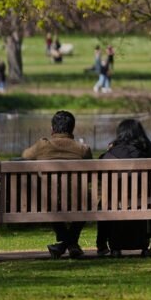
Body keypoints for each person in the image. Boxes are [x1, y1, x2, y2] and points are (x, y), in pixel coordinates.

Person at [22, 110, 93, 258]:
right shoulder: (82, 149)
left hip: (47, 202)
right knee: (86, 200)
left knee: (48, 199)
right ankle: (71, 243)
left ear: (52, 129)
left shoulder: (43, 145)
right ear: (72, 128)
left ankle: (64, 244)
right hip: (79, 202)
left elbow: (25, 156)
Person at [96, 119, 151, 257]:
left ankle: (101, 245)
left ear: (120, 134)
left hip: (116, 202)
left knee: (102, 204)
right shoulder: (149, 150)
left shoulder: (112, 152)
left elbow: (100, 175)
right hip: (146, 201)